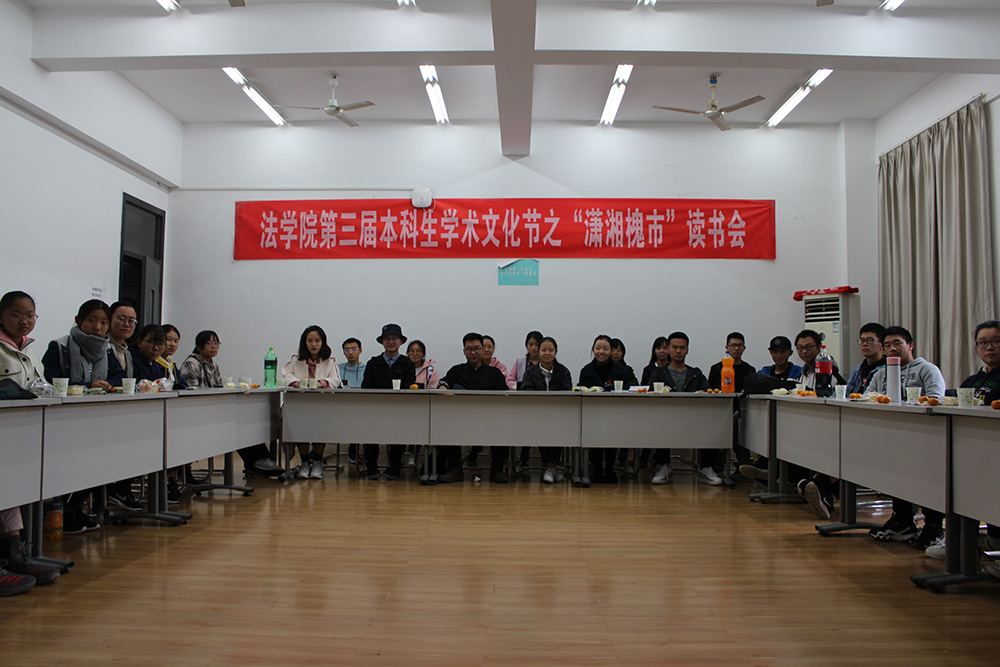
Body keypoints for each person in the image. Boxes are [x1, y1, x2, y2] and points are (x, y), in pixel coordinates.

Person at [0, 291, 64, 595]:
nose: (24, 321)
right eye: (16, 315)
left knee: (9, 489)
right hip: (6, 429)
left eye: (30, 316)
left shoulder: (28, 350)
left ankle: (13, 555)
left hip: (18, 434)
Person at [866, 326, 946, 546]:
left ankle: (934, 525)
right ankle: (902, 521)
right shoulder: (881, 373)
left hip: (923, 436)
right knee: (896, 476)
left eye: (897, 343)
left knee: (927, 479)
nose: (892, 349)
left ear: (910, 345)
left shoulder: (927, 369)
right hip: (891, 435)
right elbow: (867, 397)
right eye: (887, 345)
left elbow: (936, 399)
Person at [179, 330, 284, 478]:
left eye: (216, 343)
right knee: (237, 425)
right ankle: (258, 462)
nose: (213, 347)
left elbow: (219, 389)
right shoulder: (191, 364)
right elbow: (192, 393)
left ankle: (258, 462)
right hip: (197, 414)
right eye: (209, 343)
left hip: (212, 411)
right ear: (198, 346)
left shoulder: (213, 365)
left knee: (244, 421)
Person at [641, 333, 717, 485]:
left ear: (687, 350)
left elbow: (708, 391)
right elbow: (649, 393)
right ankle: (664, 466)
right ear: (669, 349)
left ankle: (706, 468)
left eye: (682, 348)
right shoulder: (659, 373)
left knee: (711, 421)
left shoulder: (695, 374)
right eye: (674, 347)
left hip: (694, 418)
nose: (678, 351)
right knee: (659, 423)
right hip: (666, 418)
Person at [437, 332, 510, 483]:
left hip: (489, 418)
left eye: (477, 348)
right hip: (461, 418)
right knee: (446, 425)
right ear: (464, 351)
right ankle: (455, 469)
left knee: (503, 426)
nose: (473, 352)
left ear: (482, 350)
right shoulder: (457, 371)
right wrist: (453, 398)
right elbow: (442, 386)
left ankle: (497, 470)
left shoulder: (494, 373)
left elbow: (504, 395)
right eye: (469, 349)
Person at [282, 325, 342, 479]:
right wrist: (298, 383)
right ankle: (304, 462)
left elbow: (336, 380)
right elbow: (286, 376)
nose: (313, 344)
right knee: (300, 430)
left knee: (320, 429)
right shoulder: (296, 361)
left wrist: (321, 383)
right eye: (310, 341)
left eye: (317, 340)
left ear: (323, 342)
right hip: (299, 404)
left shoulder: (329, 362)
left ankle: (317, 462)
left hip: (322, 404)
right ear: (304, 342)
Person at [361, 324, 416, 480]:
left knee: (397, 436)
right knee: (372, 437)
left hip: (399, 409)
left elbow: (409, 387)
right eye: (387, 339)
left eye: (394, 338)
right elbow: (366, 386)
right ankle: (371, 466)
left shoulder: (407, 364)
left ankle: (395, 466)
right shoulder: (373, 363)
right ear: (382, 342)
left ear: (401, 341)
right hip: (375, 408)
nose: (391, 342)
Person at [520, 336, 573, 483]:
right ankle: (550, 467)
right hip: (536, 414)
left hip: (559, 414)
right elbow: (526, 391)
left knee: (559, 428)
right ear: (538, 352)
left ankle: (551, 466)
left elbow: (566, 392)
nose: (547, 353)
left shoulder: (563, 371)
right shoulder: (531, 372)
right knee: (541, 427)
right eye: (544, 350)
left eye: (551, 350)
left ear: (556, 352)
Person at [579, 334, 631, 483]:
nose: (601, 352)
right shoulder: (586, 370)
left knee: (611, 440)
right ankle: (596, 468)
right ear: (593, 349)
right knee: (594, 440)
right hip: (592, 413)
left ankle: (609, 468)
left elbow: (627, 392)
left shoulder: (621, 370)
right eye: (598, 348)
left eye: (605, 348)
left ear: (610, 351)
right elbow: (581, 391)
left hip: (614, 413)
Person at [337, 337, 366, 465]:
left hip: (362, 406)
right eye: (347, 350)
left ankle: (355, 451)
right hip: (342, 405)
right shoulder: (337, 368)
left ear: (360, 350)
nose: (350, 353)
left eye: (354, 349)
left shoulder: (367, 368)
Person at [845, 323, 886, 394]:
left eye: (870, 340)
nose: (865, 344)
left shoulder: (887, 370)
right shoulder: (857, 370)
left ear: (882, 344)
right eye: (862, 340)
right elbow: (847, 394)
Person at [156, 324, 186, 388]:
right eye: (169, 339)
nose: (173, 344)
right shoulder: (154, 364)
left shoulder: (172, 366)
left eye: (176, 341)